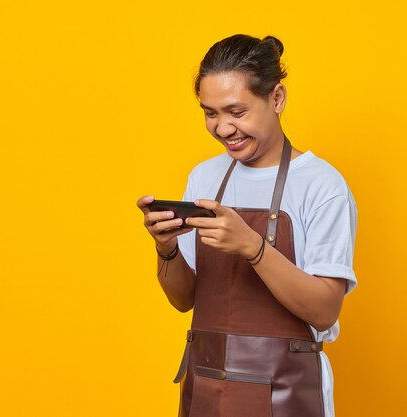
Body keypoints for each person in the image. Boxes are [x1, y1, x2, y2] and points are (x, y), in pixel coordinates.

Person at [137, 34, 357, 417]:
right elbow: (184, 300)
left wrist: (252, 247)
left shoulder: (322, 185)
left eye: (236, 112)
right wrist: (166, 248)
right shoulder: (204, 177)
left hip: (288, 395)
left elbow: (324, 311)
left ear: (276, 99)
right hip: (205, 387)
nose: (223, 129)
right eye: (210, 113)